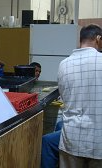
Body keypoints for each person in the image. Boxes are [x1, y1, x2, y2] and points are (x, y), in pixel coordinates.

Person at [57, 24, 102, 167]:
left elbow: (64, 98)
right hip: (98, 141)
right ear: (98, 39)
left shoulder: (64, 64)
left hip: (71, 139)